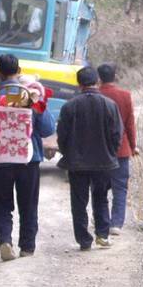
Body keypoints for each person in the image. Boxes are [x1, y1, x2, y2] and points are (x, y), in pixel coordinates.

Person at [0, 54, 56, 261]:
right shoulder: (31, 95)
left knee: (2, 205)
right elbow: (48, 129)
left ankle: (5, 240)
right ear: (19, 71)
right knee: (28, 205)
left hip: (0, 158)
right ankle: (27, 247)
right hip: (28, 158)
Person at [57, 66, 123, 250]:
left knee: (78, 201)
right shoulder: (110, 105)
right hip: (104, 161)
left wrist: (67, 152)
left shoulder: (69, 106)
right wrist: (111, 152)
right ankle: (102, 235)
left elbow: (62, 135)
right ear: (97, 82)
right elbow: (117, 134)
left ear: (79, 84)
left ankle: (84, 240)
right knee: (101, 197)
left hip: (76, 163)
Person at [97, 63, 137, 235]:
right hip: (121, 150)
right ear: (115, 76)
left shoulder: (95, 95)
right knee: (120, 188)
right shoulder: (125, 96)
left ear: (99, 78)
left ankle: (102, 221)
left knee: (99, 188)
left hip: (98, 151)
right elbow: (130, 124)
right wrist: (133, 146)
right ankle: (116, 224)